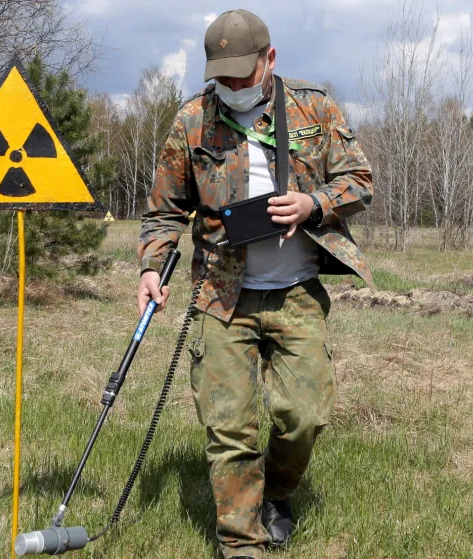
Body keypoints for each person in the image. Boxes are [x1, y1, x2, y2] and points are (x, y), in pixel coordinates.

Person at [136, 9, 374, 559]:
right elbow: (164, 212)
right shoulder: (192, 120)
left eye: (244, 76)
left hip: (296, 290)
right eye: (223, 78)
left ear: (270, 59)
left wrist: (314, 203)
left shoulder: (313, 106)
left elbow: (360, 179)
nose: (234, 88)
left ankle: (277, 492)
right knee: (229, 426)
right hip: (222, 295)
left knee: (304, 415)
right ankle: (241, 542)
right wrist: (152, 266)